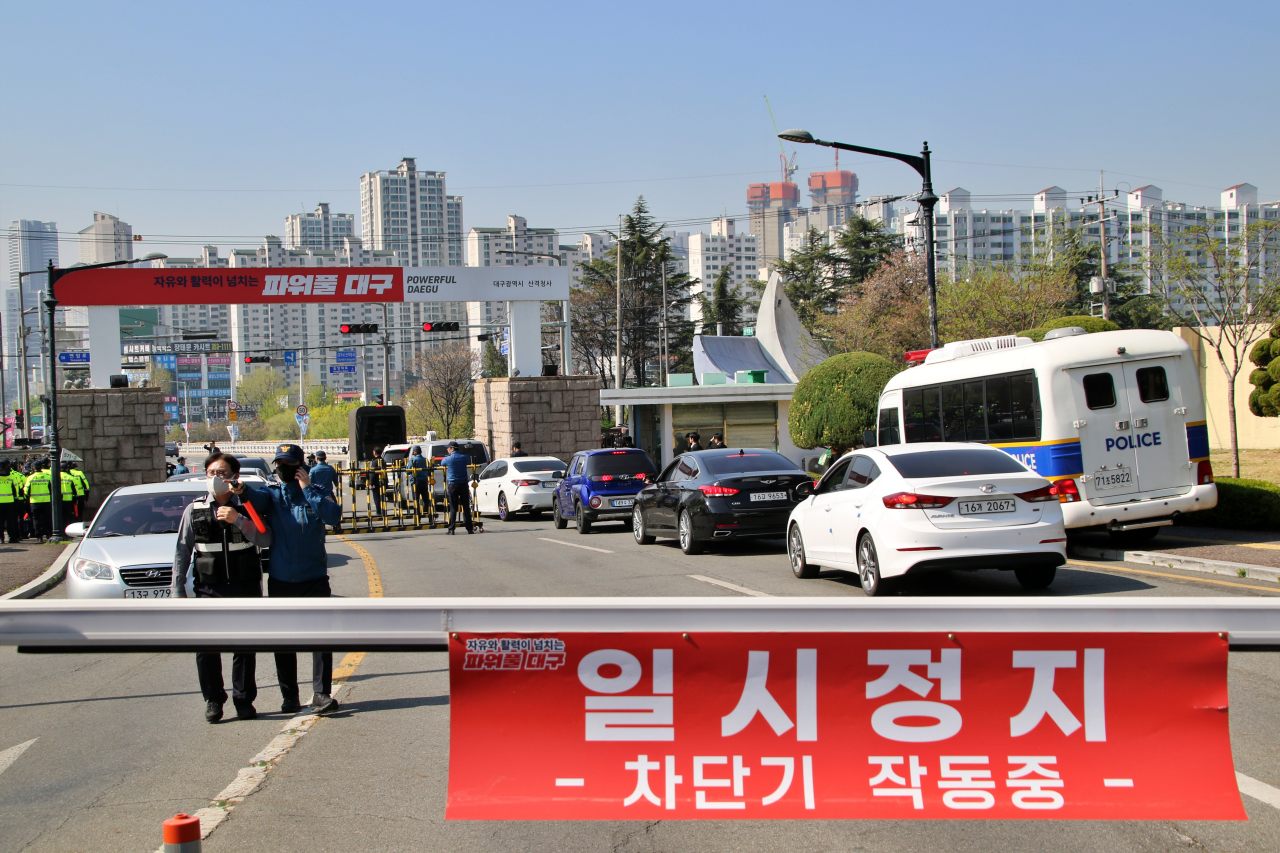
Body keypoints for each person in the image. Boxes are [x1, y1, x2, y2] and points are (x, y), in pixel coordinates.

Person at [243, 443, 343, 716]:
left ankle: (321, 694)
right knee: (283, 640)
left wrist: (307, 487)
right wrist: (240, 489)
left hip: (314, 579)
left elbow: (333, 516)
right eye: (280, 465)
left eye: (289, 465)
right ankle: (289, 696)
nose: (284, 469)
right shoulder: (273, 495)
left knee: (322, 639)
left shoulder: (317, 493)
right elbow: (253, 498)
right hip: (282, 580)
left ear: (301, 466)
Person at [173, 453, 271, 723]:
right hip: (208, 588)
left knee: (244, 647)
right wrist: (177, 589)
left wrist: (238, 519)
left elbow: (265, 538)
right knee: (206, 648)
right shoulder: (194, 509)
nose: (216, 478)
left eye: (222, 473)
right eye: (212, 473)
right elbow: (182, 552)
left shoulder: (246, 505)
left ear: (233, 477)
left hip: (244, 586)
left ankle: (243, 700)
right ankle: (213, 699)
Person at [441, 441, 475, 534]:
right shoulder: (464, 458)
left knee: (453, 508)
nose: (447, 450)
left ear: (451, 448)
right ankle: (469, 529)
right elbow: (468, 459)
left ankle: (451, 529)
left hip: (452, 485)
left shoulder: (448, 459)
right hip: (463, 484)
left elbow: (442, 463)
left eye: (448, 448)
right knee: (466, 507)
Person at [309, 451, 341, 533]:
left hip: (317, 495)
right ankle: (337, 526)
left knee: (317, 512)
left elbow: (309, 483)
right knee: (334, 509)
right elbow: (336, 482)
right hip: (328, 494)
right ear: (325, 458)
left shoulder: (313, 470)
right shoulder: (330, 468)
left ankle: (321, 529)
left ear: (316, 458)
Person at [24, 461, 52, 543]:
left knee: (36, 520)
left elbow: (26, 491)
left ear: (33, 468)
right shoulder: (48, 476)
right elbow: (51, 489)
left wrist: (27, 498)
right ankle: (48, 534)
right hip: (46, 501)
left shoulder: (30, 477)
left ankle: (39, 537)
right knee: (47, 518)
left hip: (34, 502)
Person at [0, 460, 23, 544]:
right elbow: (14, 491)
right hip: (10, 502)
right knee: (11, 522)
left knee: (1, 522)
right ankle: (12, 538)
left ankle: (1, 538)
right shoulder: (11, 477)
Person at [406, 445, 430, 514]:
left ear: (415, 452)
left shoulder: (413, 460)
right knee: (425, 498)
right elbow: (428, 470)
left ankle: (417, 514)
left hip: (415, 482)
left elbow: (408, 471)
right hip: (424, 481)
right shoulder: (425, 460)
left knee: (416, 499)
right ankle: (427, 511)